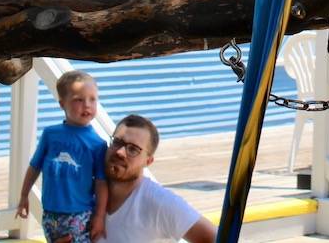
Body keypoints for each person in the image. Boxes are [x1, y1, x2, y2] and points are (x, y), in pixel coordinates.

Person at [17, 70, 108, 242]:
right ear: (62, 104)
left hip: (80, 214)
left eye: (92, 99)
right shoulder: (50, 135)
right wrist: (23, 196)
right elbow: (34, 167)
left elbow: (101, 183)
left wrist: (99, 216)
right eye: (78, 100)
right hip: (50, 213)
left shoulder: (98, 144)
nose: (87, 105)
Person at [101, 114, 216, 243]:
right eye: (117, 142)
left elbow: (214, 237)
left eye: (133, 149)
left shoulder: (158, 202)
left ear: (148, 161)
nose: (120, 152)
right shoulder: (87, 188)